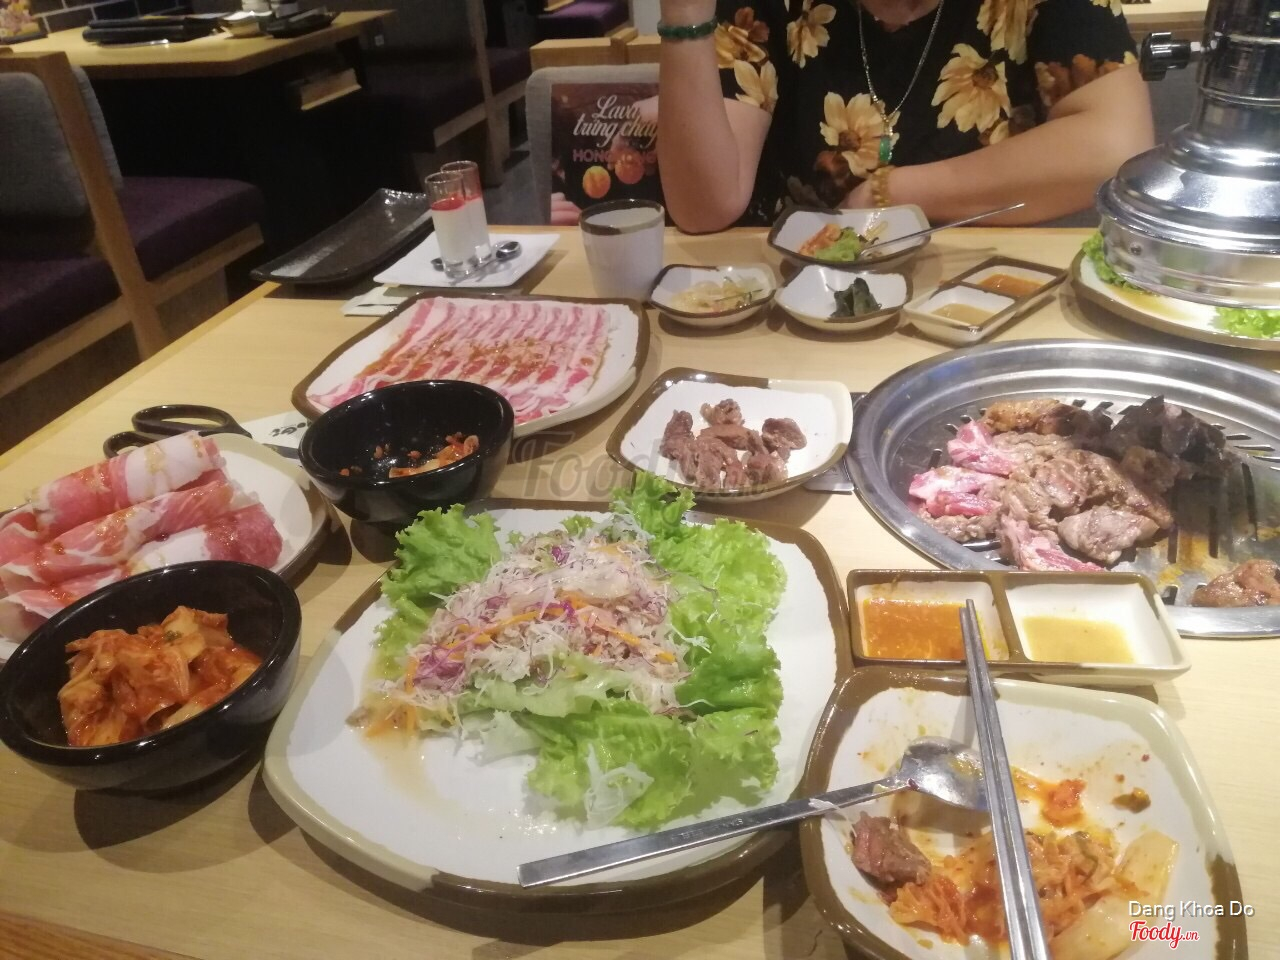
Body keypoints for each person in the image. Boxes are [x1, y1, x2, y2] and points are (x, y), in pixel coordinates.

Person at [655, 0, 1155, 231]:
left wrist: (888, 193)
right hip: (801, 303)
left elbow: (1115, 149)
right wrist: (685, 16)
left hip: (986, 294)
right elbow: (704, 208)